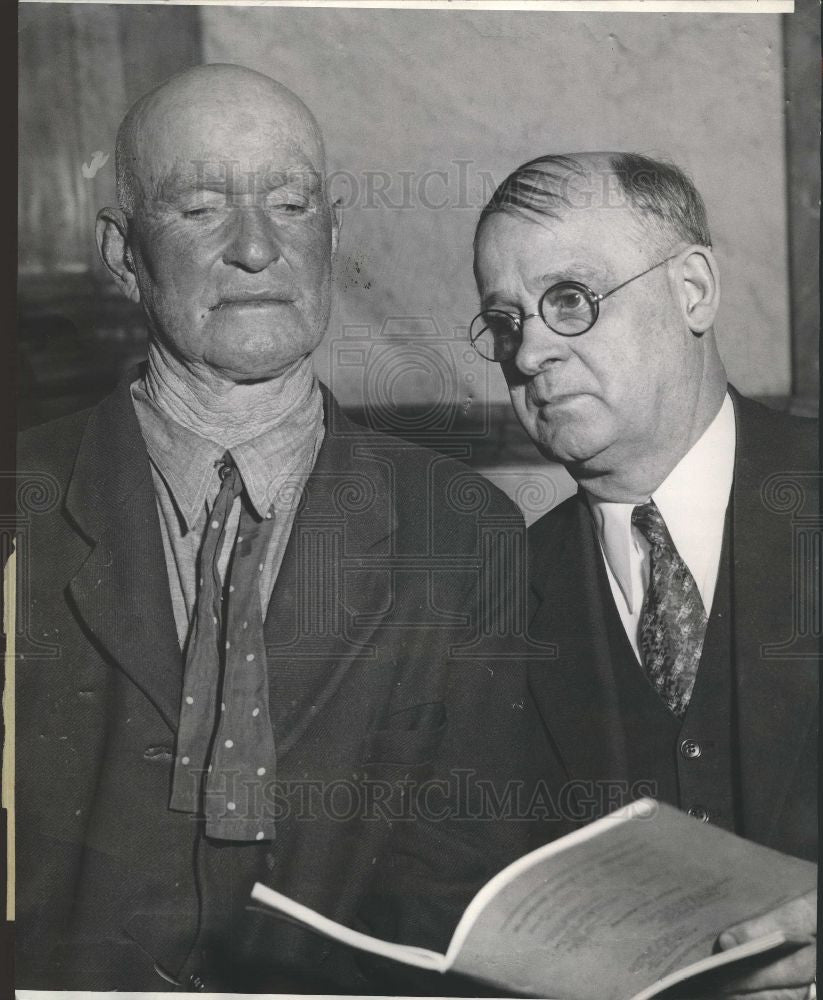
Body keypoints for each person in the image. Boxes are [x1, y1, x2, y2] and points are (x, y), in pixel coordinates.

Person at [15, 64, 559, 992]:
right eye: (198, 209)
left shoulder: (461, 530)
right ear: (120, 252)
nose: (257, 249)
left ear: (332, 233)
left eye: (292, 204)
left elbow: (464, 894)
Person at [470, 151, 818, 1000]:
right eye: (506, 321)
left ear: (692, 290)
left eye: (569, 300)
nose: (529, 355)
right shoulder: (496, 592)